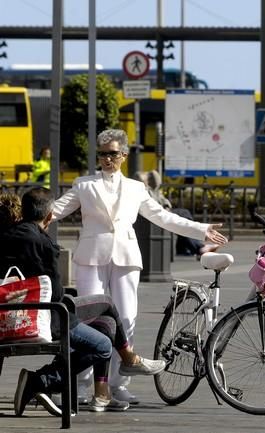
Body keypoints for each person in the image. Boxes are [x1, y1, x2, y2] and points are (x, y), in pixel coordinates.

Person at [51, 129, 229, 404]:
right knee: (87, 321)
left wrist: (201, 230)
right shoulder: (84, 185)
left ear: (123, 155)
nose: (107, 159)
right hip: (91, 257)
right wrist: (18, 217)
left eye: (112, 154)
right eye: (102, 154)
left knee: (126, 318)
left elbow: (163, 217)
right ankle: (81, 384)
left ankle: (119, 383)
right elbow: (54, 210)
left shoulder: (136, 188)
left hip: (126, 257)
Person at [0, 187, 166, 416]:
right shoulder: (41, 242)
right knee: (104, 340)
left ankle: (104, 389)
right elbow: (55, 293)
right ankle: (40, 381)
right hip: (44, 317)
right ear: (49, 216)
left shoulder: (7, 235)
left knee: (107, 323)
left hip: (12, 312)